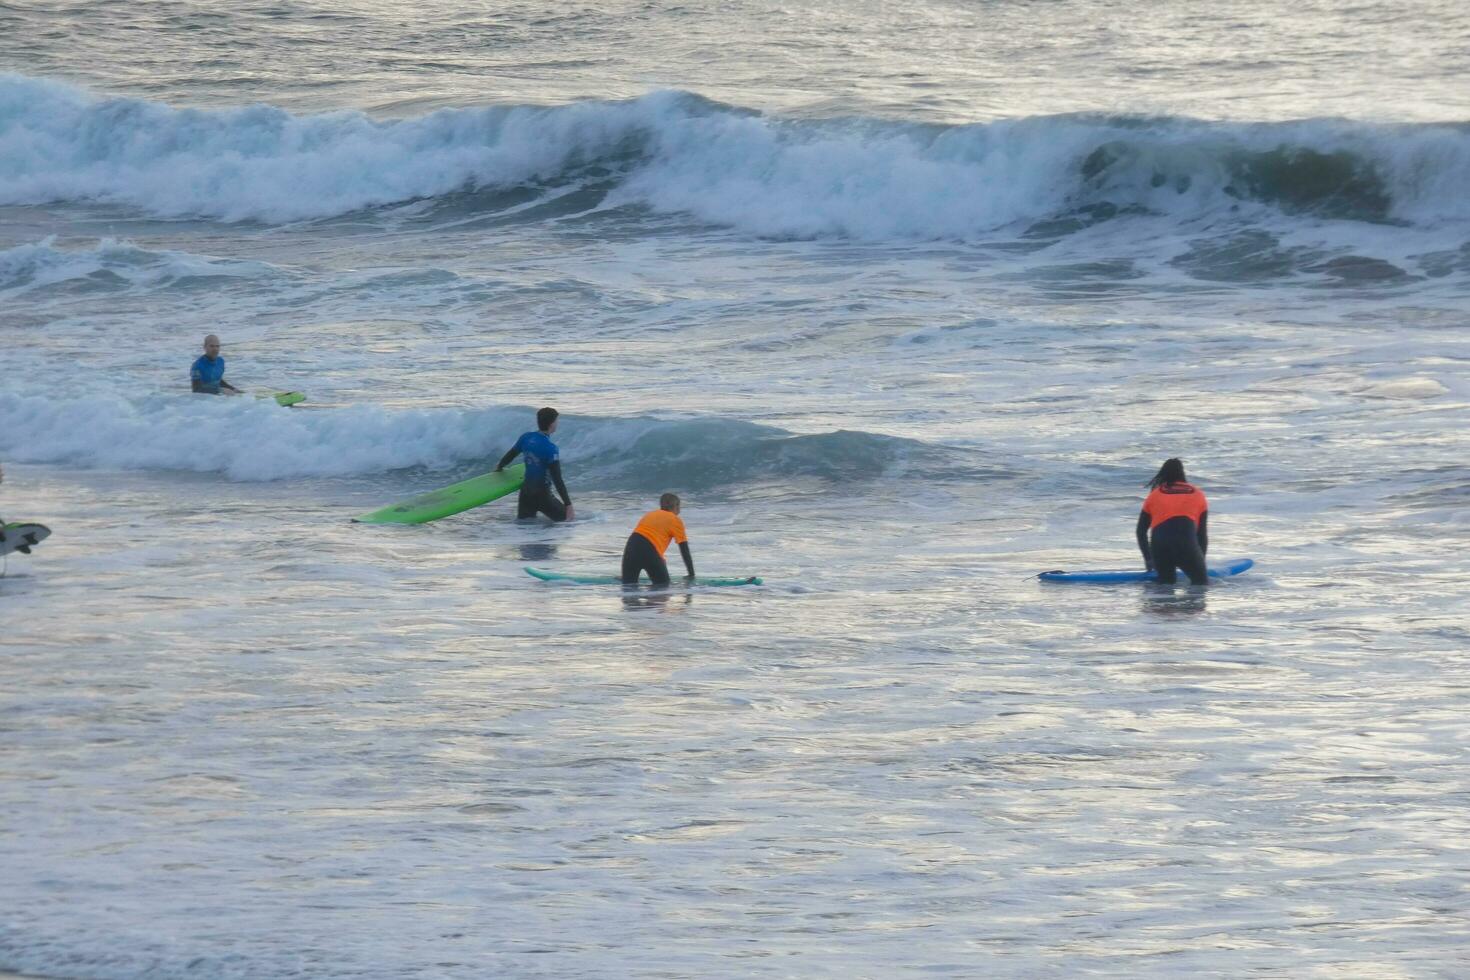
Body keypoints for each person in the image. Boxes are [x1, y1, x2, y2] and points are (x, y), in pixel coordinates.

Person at [1136, 457, 1208, 585]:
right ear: (1182, 473)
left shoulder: (1154, 495)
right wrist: (1200, 561)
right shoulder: (1198, 494)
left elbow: (1140, 531)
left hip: (1160, 546)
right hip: (1186, 545)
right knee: (1200, 586)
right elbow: (1201, 535)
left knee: (1165, 588)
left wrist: (1149, 559)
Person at [496, 407, 574, 522]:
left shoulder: (526, 438)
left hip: (525, 494)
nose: (557, 423)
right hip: (543, 496)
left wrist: (499, 466)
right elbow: (557, 479)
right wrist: (568, 505)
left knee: (525, 530)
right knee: (568, 522)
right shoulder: (550, 449)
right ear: (552, 424)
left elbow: (511, 455)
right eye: (557, 421)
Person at [622, 492, 694, 586]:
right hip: (649, 550)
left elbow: (646, 537)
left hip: (631, 547)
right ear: (676, 506)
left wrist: (659, 559)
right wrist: (691, 574)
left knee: (628, 588)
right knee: (663, 586)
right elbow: (684, 549)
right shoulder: (675, 520)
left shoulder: (649, 515)